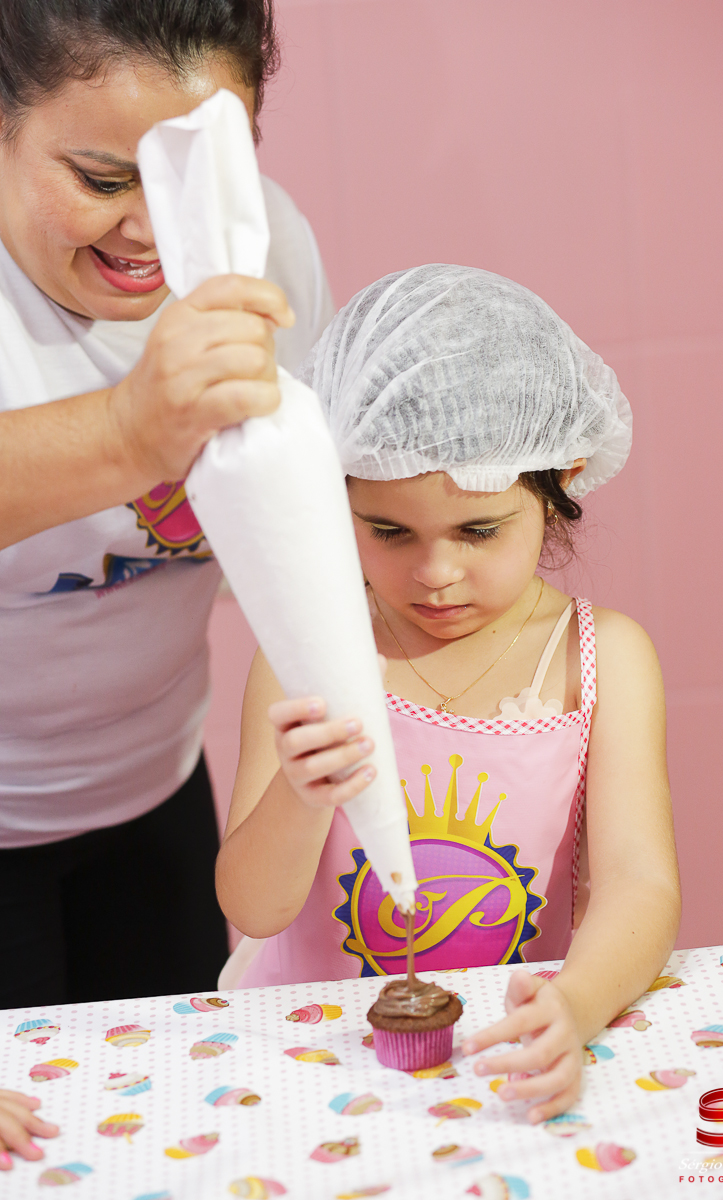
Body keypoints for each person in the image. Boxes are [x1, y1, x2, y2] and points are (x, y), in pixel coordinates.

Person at [216, 264, 681, 1125]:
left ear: (563, 482)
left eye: (479, 531)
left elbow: (637, 883)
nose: (435, 573)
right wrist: (301, 793)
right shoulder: (307, 657)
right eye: (389, 532)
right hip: (306, 1056)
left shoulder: (601, 658)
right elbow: (253, 907)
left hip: (497, 1048)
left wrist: (574, 1006)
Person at [0, 0, 334, 1013]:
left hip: (157, 788)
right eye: (103, 180)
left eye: (197, 170)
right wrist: (126, 432)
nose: (151, 227)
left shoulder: (263, 246)